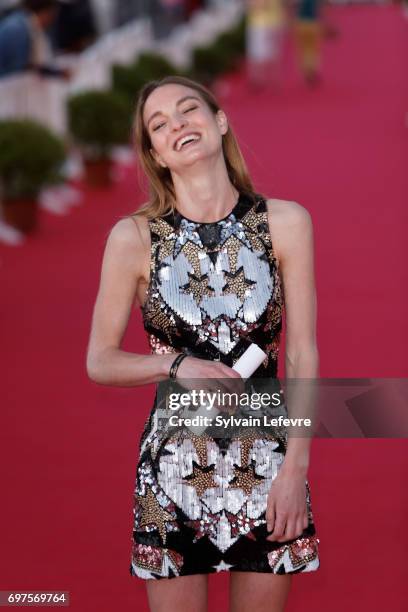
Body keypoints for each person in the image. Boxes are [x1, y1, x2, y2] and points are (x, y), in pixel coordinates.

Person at [86, 75, 320, 612]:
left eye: (188, 110)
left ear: (219, 121)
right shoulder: (134, 238)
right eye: (158, 125)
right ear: (156, 155)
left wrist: (296, 468)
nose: (177, 126)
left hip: (268, 460)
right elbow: (99, 360)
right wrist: (174, 366)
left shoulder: (285, 223)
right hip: (172, 469)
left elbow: (304, 353)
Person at [0, 0, 69, 78]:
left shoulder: (31, 26)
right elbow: (14, 72)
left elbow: (34, 64)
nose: (54, 18)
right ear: (47, 12)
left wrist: (56, 73)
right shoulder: (16, 29)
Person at [246, 0, 287, 91]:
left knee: (274, 53)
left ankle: (272, 79)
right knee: (256, 53)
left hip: (274, 21)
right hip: (258, 22)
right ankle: (257, 79)